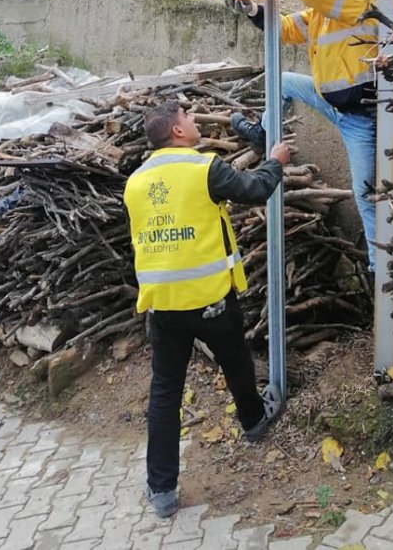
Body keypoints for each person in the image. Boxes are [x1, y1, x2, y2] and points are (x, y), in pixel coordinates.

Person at [123, 101, 290, 518]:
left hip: (162, 306)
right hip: (211, 299)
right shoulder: (204, 169)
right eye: (189, 119)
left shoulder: (135, 182)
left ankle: (162, 491)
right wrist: (275, 161)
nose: (195, 123)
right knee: (235, 361)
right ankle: (253, 422)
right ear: (177, 131)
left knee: (165, 393)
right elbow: (254, 190)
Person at [226, 0, 378, 271]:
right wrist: (253, 9)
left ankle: (378, 265)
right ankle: (261, 132)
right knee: (283, 80)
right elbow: (285, 28)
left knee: (365, 191)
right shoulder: (324, 9)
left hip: (359, 117)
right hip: (330, 100)